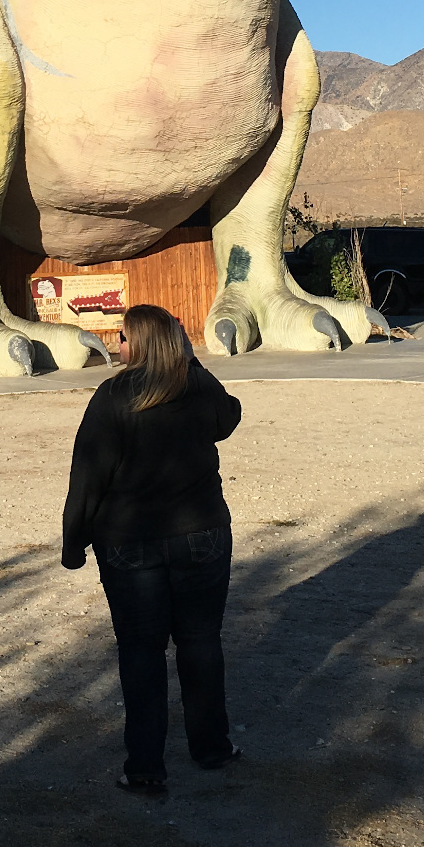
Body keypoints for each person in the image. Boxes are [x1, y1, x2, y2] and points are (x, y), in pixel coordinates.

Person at [61, 303, 242, 792]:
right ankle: (212, 749)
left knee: (141, 653)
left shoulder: (112, 397)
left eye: (121, 337)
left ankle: (144, 767)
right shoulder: (195, 386)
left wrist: (73, 540)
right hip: (201, 538)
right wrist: (195, 362)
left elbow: (87, 477)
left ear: (139, 343)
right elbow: (228, 417)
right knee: (200, 643)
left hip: (129, 546)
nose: (116, 346)